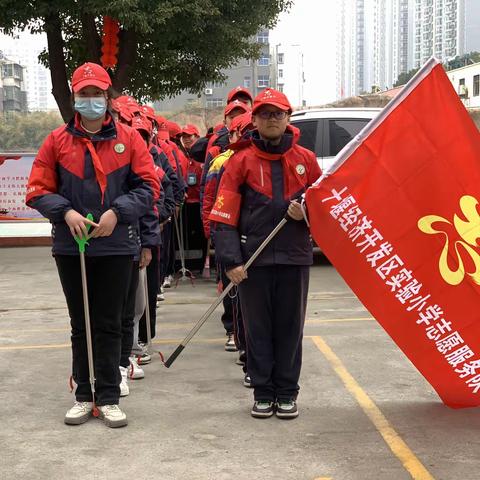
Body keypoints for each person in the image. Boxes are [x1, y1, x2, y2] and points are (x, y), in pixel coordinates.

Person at [25, 62, 160, 428]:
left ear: (107, 97)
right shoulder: (56, 141)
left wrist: (118, 212)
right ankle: (84, 394)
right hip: (73, 248)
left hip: (116, 246)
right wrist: (65, 212)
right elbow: (37, 190)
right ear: (74, 98)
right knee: (79, 323)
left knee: (109, 323)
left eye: (97, 94)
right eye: (84, 94)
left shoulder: (130, 139)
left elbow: (149, 187)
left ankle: (110, 396)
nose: (91, 101)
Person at [210, 88, 321, 419]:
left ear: (288, 118)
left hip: (295, 259)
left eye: (278, 114)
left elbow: (328, 208)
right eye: (265, 114)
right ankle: (262, 391)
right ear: (254, 120)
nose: (271, 120)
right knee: (257, 329)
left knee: (290, 329)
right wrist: (231, 261)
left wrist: (309, 214)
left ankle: (287, 392)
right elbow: (223, 216)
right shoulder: (239, 162)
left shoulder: (306, 160)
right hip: (252, 262)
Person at [203, 113, 253, 383]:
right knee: (237, 301)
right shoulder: (224, 163)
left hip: (268, 249)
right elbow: (212, 200)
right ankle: (242, 346)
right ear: (231, 136)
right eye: (241, 131)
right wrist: (213, 234)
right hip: (236, 244)